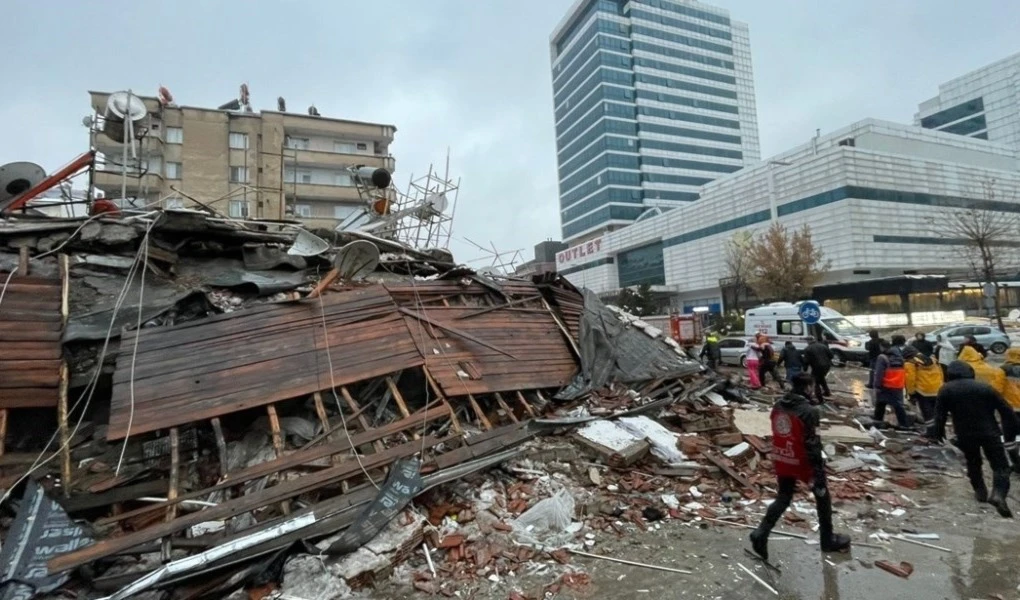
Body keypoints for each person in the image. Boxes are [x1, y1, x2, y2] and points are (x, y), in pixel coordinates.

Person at [749, 373, 851, 560]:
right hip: (803, 462)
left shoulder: (778, 405)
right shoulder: (810, 411)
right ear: (808, 388)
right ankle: (827, 540)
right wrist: (818, 469)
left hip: (782, 457)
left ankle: (761, 532)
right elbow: (813, 441)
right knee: (822, 497)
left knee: (783, 497)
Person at [929, 360, 1017, 518]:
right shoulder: (985, 387)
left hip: (965, 434)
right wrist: (1011, 427)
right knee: (1000, 466)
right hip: (990, 433)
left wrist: (938, 433)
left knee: (973, 462)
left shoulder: (946, 389)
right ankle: (998, 494)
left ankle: (980, 492)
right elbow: (1006, 410)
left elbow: (939, 415)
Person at [873, 338, 910, 429]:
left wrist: (877, 385)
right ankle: (904, 424)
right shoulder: (900, 357)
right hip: (898, 385)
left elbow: (879, 373)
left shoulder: (882, 357)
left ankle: (878, 423)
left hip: (885, 385)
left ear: (881, 347)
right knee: (898, 406)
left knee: (880, 404)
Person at [903, 343, 944, 426]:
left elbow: (910, 380)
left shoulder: (910, 363)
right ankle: (939, 432)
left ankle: (930, 433)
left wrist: (911, 393)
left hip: (923, 391)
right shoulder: (933, 359)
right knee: (937, 413)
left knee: (928, 414)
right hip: (937, 389)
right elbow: (941, 373)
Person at [999, 348, 1020, 473]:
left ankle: (1017, 464)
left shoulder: (1003, 369)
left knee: (1009, 439)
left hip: (1009, 409)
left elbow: (997, 389)